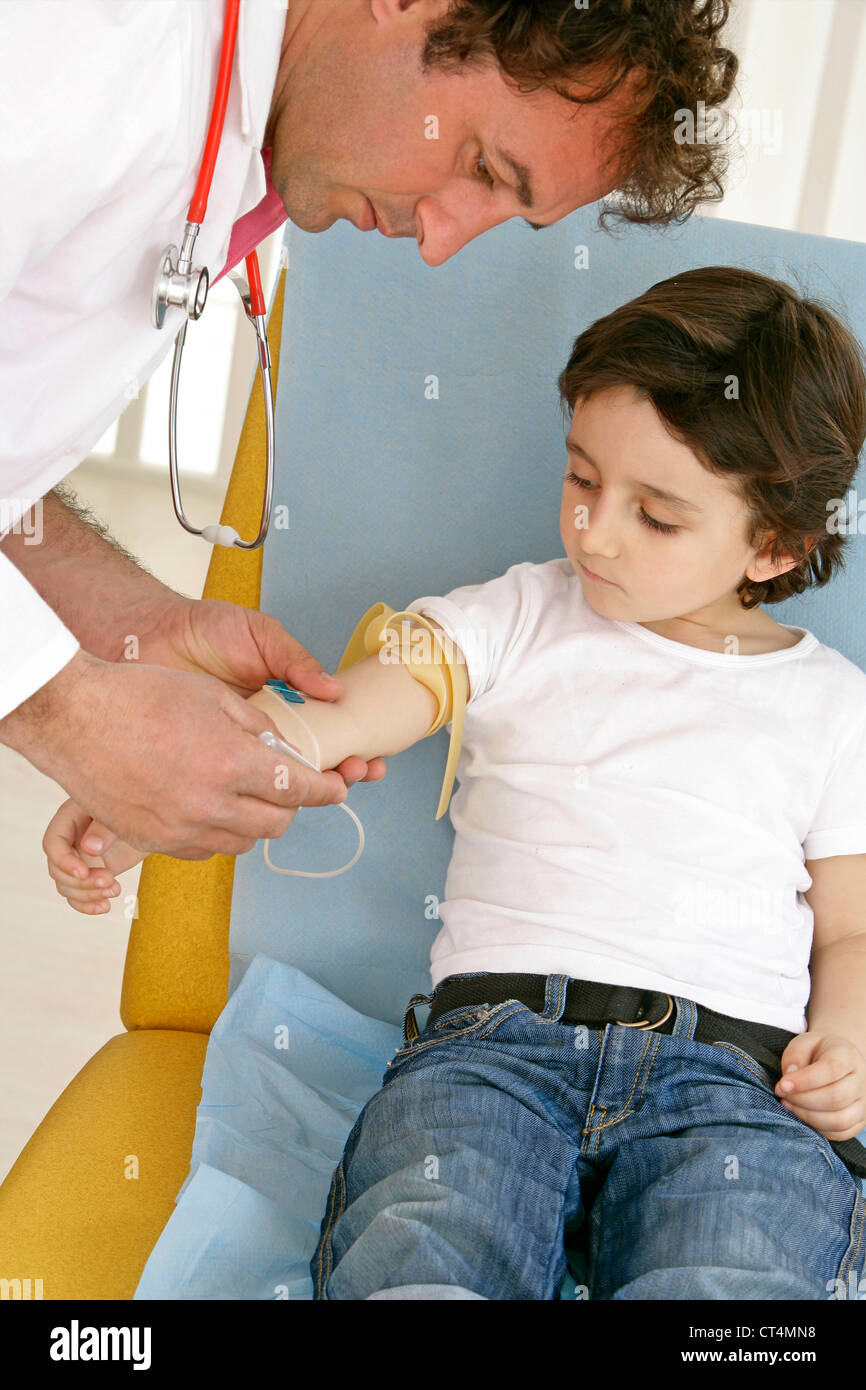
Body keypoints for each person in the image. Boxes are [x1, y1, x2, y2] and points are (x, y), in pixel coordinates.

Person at [45, 266, 866, 1299]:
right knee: (427, 1243)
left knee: (734, 1284)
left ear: (775, 545)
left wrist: (848, 1034)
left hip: (732, 1087)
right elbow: (339, 713)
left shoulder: (832, 707)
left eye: (654, 517)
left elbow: (847, 930)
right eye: (579, 479)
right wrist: (148, 779)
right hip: (492, 1055)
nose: (591, 531)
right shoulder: (516, 615)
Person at [0, 0, 737, 862]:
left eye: (506, 211)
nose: (439, 242)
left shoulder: (250, 151)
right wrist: (68, 709)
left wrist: (129, 617)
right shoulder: (83, 42)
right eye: (483, 166)